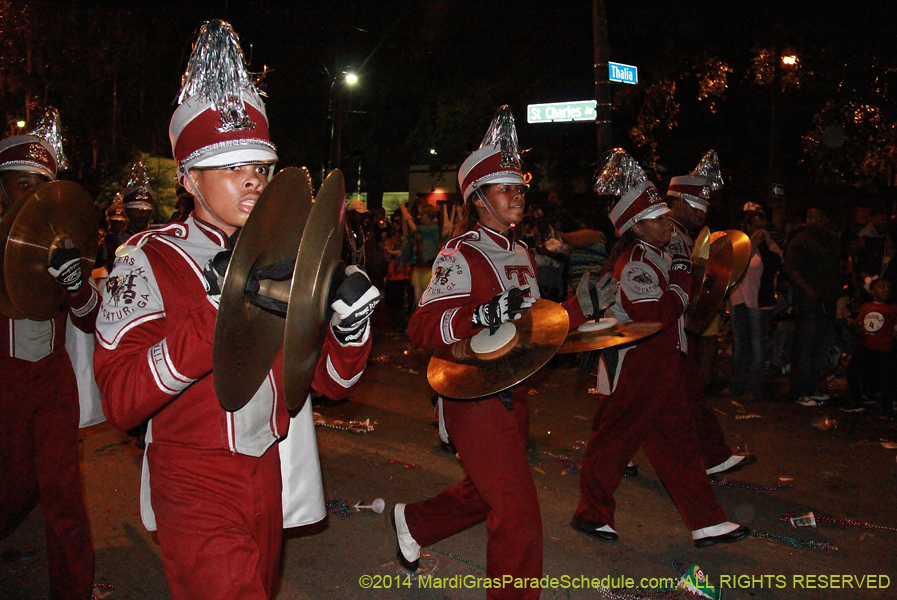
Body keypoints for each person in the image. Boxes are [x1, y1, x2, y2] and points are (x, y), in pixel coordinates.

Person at [93, 21, 377, 600]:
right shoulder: (149, 258)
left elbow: (330, 383)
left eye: (261, 167)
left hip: (266, 468)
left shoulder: (283, 257)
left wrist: (349, 327)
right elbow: (121, 400)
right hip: (193, 476)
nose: (253, 179)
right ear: (188, 177)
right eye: (230, 165)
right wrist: (218, 310)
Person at [391, 107, 602, 600]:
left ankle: (415, 522)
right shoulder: (461, 253)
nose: (518, 196)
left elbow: (532, 328)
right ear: (478, 198)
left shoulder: (523, 251)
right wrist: (480, 315)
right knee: (518, 515)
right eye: (506, 188)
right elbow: (420, 326)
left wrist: (582, 307)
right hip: (473, 399)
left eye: (520, 188)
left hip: (514, 391)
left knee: (485, 493)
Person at [572, 149, 749, 548]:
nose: (667, 221)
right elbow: (661, 312)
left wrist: (681, 275)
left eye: (666, 215)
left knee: (677, 442)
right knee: (616, 440)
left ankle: (705, 521)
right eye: (657, 218)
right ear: (637, 226)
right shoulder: (635, 262)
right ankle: (591, 512)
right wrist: (682, 279)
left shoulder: (659, 253)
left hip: (660, 359)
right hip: (639, 360)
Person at [0, 108, 98, 600]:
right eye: (20, 184)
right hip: (5, 386)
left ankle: (74, 590)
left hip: (53, 385)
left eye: (40, 185)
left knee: (64, 496)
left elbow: (90, 318)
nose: (30, 195)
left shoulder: (62, 241)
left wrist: (76, 286)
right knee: (12, 490)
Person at [665, 151, 755, 475]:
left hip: (674, 329)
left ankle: (714, 456)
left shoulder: (685, 236)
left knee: (686, 396)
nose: (702, 213)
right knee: (637, 402)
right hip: (660, 328)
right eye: (696, 205)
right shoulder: (666, 234)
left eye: (706, 207)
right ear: (676, 201)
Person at [785, 207, 842, 406]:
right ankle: (800, 390)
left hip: (827, 301)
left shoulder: (832, 240)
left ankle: (813, 386)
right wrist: (808, 290)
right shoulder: (800, 240)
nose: (813, 221)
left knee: (821, 345)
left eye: (818, 217)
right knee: (804, 345)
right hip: (807, 301)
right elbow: (792, 270)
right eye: (810, 217)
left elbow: (839, 269)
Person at [728, 211, 783, 402]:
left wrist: (763, 245)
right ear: (747, 226)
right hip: (738, 300)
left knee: (757, 346)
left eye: (763, 227)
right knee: (740, 344)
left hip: (758, 304)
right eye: (756, 226)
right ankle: (736, 385)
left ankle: (754, 388)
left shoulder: (769, 246)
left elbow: (775, 264)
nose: (760, 231)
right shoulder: (741, 245)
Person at [844, 278, 897, 417]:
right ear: (872, 291)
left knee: (885, 379)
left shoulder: (892, 309)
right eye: (882, 286)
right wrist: (854, 325)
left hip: (883, 349)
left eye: (888, 287)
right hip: (866, 346)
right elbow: (860, 327)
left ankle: (887, 410)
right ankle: (858, 401)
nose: (886, 290)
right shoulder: (866, 307)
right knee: (853, 372)